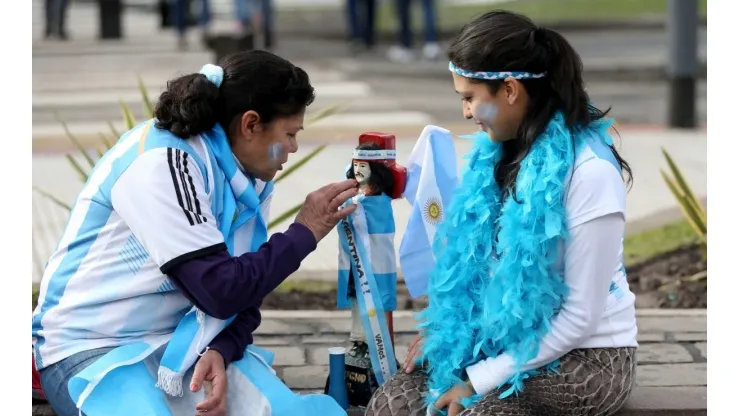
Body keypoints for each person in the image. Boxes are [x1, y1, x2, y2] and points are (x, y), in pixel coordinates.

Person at [32, 50, 357, 416]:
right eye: (290, 134)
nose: (294, 148)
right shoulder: (163, 162)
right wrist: (305, 232)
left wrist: (221, 348)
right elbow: (220, 290)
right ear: (250, 124)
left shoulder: (246, 180)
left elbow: (244, 294)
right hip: (90, 347)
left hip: (184, 346)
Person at [367, 10, 637, 416]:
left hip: (587, 356)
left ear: (510, 91)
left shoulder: (590, 172)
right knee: (393, 404)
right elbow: (485, 269)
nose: (465, 113)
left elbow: (580, 318)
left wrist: (477, 380)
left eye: (470, 98)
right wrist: (451, 336)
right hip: (503, 342)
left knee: (483, 413)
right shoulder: (498, 152)